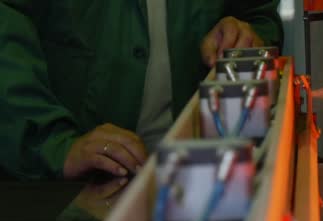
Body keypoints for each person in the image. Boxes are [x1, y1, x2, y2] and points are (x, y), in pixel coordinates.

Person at [0, 0, 282, 180]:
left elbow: (259, 18)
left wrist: (242, 35)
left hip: (202, 175)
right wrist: (53, 146)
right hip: (67, 191)